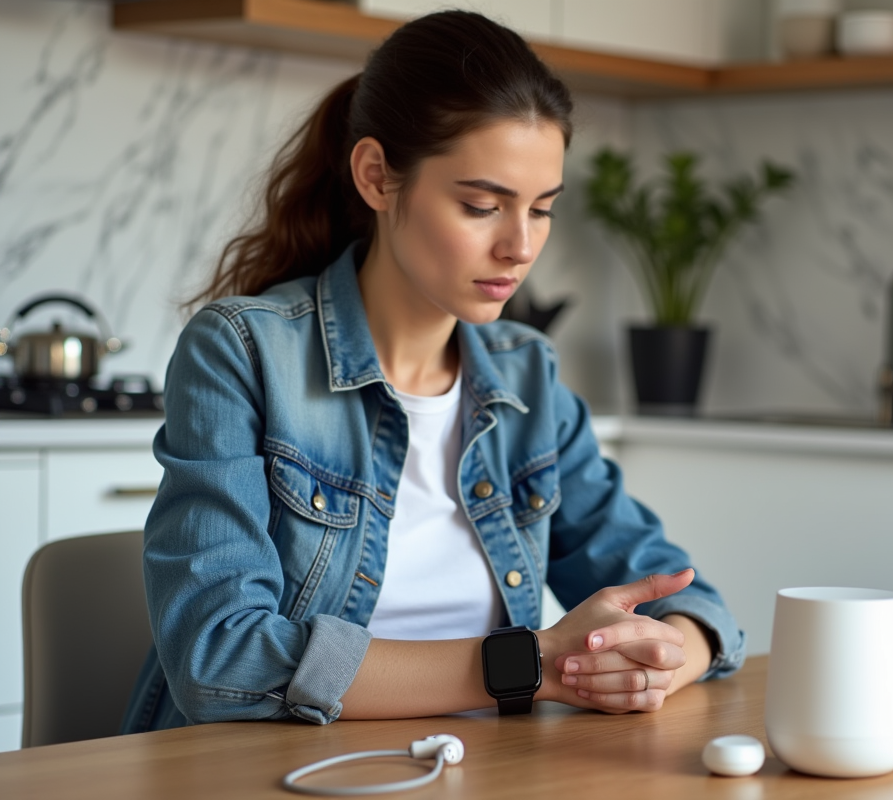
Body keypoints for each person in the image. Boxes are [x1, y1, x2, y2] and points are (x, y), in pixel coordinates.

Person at [121, 10, 744, 733]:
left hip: (479, 771)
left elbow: (683, 595)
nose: (519, 246)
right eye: (482, 206)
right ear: (378, 177)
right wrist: (529, 663)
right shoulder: (243, 354)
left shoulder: (527, 379)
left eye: (541, 210)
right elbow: (219, 663)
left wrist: (671, 654)